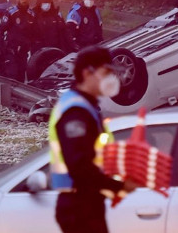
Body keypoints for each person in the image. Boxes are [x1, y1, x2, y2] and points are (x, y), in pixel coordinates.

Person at [49, 46, 139, 233]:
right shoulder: (76, 112)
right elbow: (80, 166)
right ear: (87, 73)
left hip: (86, 202)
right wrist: (118, 186)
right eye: (106, 72)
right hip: (79, 205)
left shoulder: (84, 106)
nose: (111, 79)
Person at [0, 0, 36, 82]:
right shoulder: (11, 12)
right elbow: (0, 30)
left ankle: (19, 97)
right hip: (11, 51)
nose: (24, 0)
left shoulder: (32, 15)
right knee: (12, 75)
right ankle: (9, 96)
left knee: (21, 77)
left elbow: (34, 34)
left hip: (23, 52)